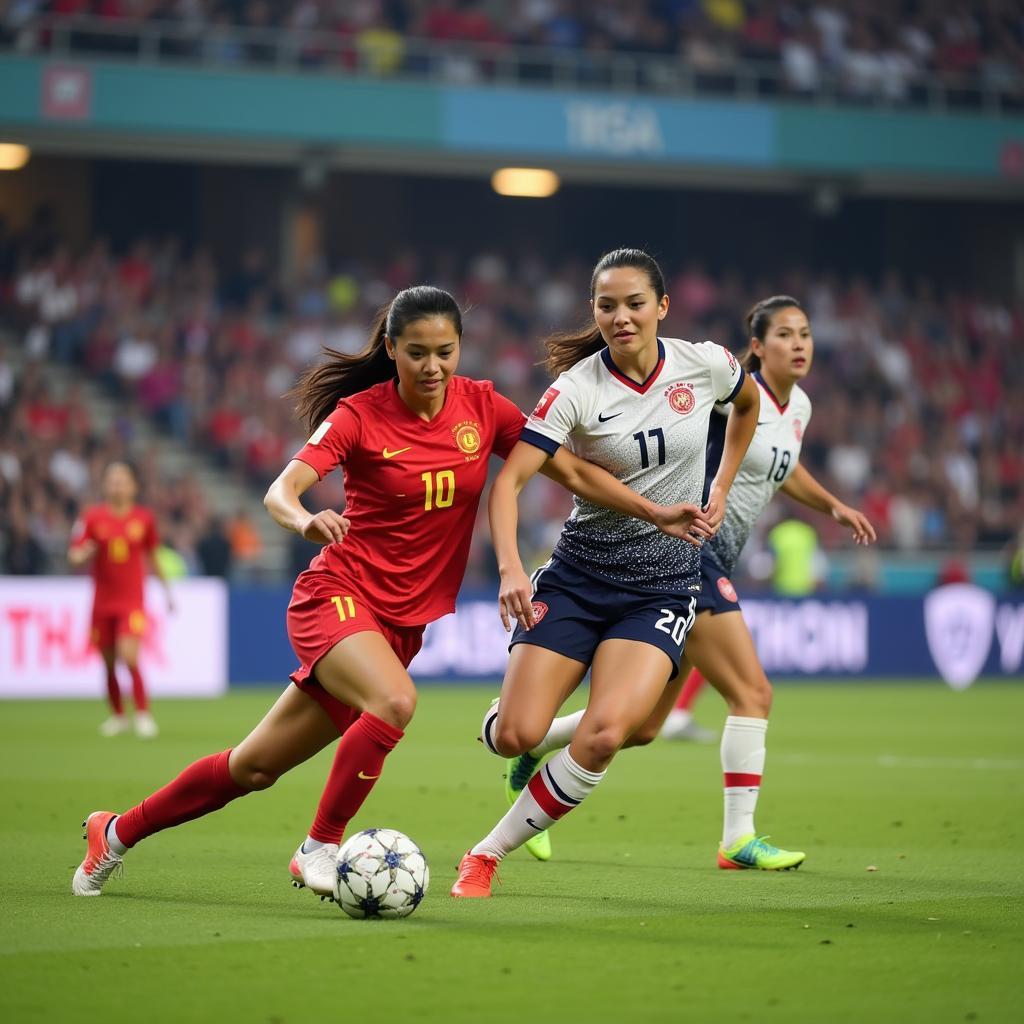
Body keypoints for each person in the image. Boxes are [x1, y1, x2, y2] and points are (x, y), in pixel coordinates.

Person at [72, 284, 711, 898]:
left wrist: (653, 513)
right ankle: (320, 846)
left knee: (254, 767)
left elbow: (565, 466)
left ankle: (116, 831)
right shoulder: (359, 414)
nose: (432, 366)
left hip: (401, 623)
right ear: (391, 349)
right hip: (339, 594)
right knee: (395, 701)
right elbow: (281, 491)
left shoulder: (483, 407)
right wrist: (306, 520)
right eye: (416, 352)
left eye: (445, 352)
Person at [510, 295, 876, 871]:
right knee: (752, 692)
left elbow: (783, 465)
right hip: (685, 553)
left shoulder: (797, 406)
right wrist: (711, 488)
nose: (800, 344)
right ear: (757, 346)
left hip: (712, 559)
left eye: (805, 333)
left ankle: (537, 742)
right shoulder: (715, 390)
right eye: (785, 334)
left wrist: (831, 505)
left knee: (644, 727)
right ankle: (737, 838)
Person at [451, 248, 759, 898]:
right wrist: (509, 567)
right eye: (607, 305)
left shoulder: (704, 363)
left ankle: (485, 853)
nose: (621, 317)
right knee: (516, 736)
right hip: (580, 578)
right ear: (593, 311)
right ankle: (508, 730)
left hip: (662, 588)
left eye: (634, 303)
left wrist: (722, 485)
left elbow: (748, 405)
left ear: (662, 307)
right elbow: (508, 485)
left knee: (608, 735)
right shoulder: (577, 389)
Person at [68, 461, 175, 739]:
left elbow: (153, 557)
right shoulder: (91, 518)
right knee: (108, 662)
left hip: (131, 601)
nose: (117, 485)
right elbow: (74, 554)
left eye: (122, 480)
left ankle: (142, 713)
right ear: (105, 485)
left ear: (133, 486)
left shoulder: (144, 519)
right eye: (112, 480)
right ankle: (118, 716)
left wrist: (167, 593)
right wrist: (83, 555)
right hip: (102, 602)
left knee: (129, 656)